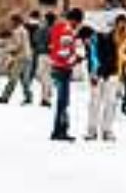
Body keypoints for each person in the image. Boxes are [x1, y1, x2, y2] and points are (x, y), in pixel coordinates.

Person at [49, 8, 84, 141]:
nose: (78, 25)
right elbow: (63, 52)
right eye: (78, 22)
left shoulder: (59, 28)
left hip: (58, 67)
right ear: (74, 20)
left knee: (62, 101)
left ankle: (59, 129)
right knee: (63, 101)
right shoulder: (67, 31)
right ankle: (60, 131)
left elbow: (54, 47)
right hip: (62, 68)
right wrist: (76, 59)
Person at [85, 19, 121, 141]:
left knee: (110, 103)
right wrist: (93, 73)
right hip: (97, 75)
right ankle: (92, 130)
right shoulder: (94, 40)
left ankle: (107, 130)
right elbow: (92, 58)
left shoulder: (114, 39)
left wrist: (116, 73)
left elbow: (116, 58)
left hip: (111, 75)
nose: (111, 29)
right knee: (94, 103)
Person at [0, 14, 33, 105]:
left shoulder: (17, 31)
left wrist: (7, 48)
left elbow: (17, 45)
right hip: (27, 57)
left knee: (13, 78)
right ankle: (28, 97)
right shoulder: (24, 30)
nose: (10, 23)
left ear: (16, 22)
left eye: (12, 21)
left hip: (20, 57)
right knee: (25, 80)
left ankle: (5, 97)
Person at [31, 11, 56, 107]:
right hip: (50, 55)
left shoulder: (42, 29)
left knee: (41, 75)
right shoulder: (54, 29)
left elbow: (35, 39)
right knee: (46, 76)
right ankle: (47, 94)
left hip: (43, 54)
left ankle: (46, 97)